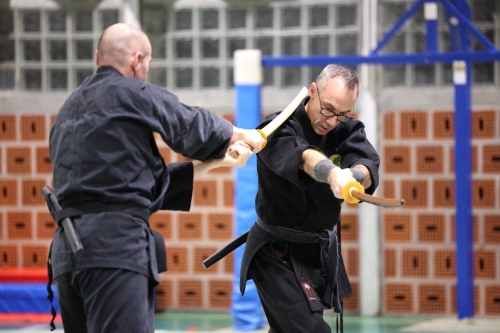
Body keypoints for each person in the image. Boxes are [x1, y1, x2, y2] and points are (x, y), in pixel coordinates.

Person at [48, 23, 265, 333]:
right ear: (137, 60)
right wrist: (236, 133)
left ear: (98, 58)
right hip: (114, 246)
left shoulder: (69, 110)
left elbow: (135, 187)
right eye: (146, 65)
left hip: (67, 253)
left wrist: (216, 162)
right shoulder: (128, 91)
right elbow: (185, 122)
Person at [239, 64, 380, 333]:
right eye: (327, 108)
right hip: (274, 253)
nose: (331, 120)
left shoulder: (346, 129)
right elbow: (304, 157)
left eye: (341, 114)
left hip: (315, 254)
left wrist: (354, 176)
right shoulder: (276, 128)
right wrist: (333, 175)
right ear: (313, 92)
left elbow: (368, 165)